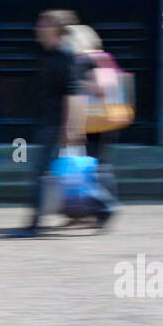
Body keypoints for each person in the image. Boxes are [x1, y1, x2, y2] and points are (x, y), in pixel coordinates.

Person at [12, 9, 86, 237]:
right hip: (46, 122)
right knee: (52, 174)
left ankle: (34, 223)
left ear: (56, 29)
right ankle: (101, 210)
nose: (38, 29)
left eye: (43, 25)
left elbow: (73, 94)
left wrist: (70, 128)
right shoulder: (48, 54)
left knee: (41, 174)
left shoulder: (65, 56)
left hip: (56, 125)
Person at [65, 22, 121, 228]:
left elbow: (96, 89)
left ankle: (103, 208)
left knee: (91, 167)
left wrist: (74, 84)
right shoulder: (104, 58)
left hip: (92, 120)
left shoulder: (82, 60)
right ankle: (98, 210)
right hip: (109, 117)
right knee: (103, 165)